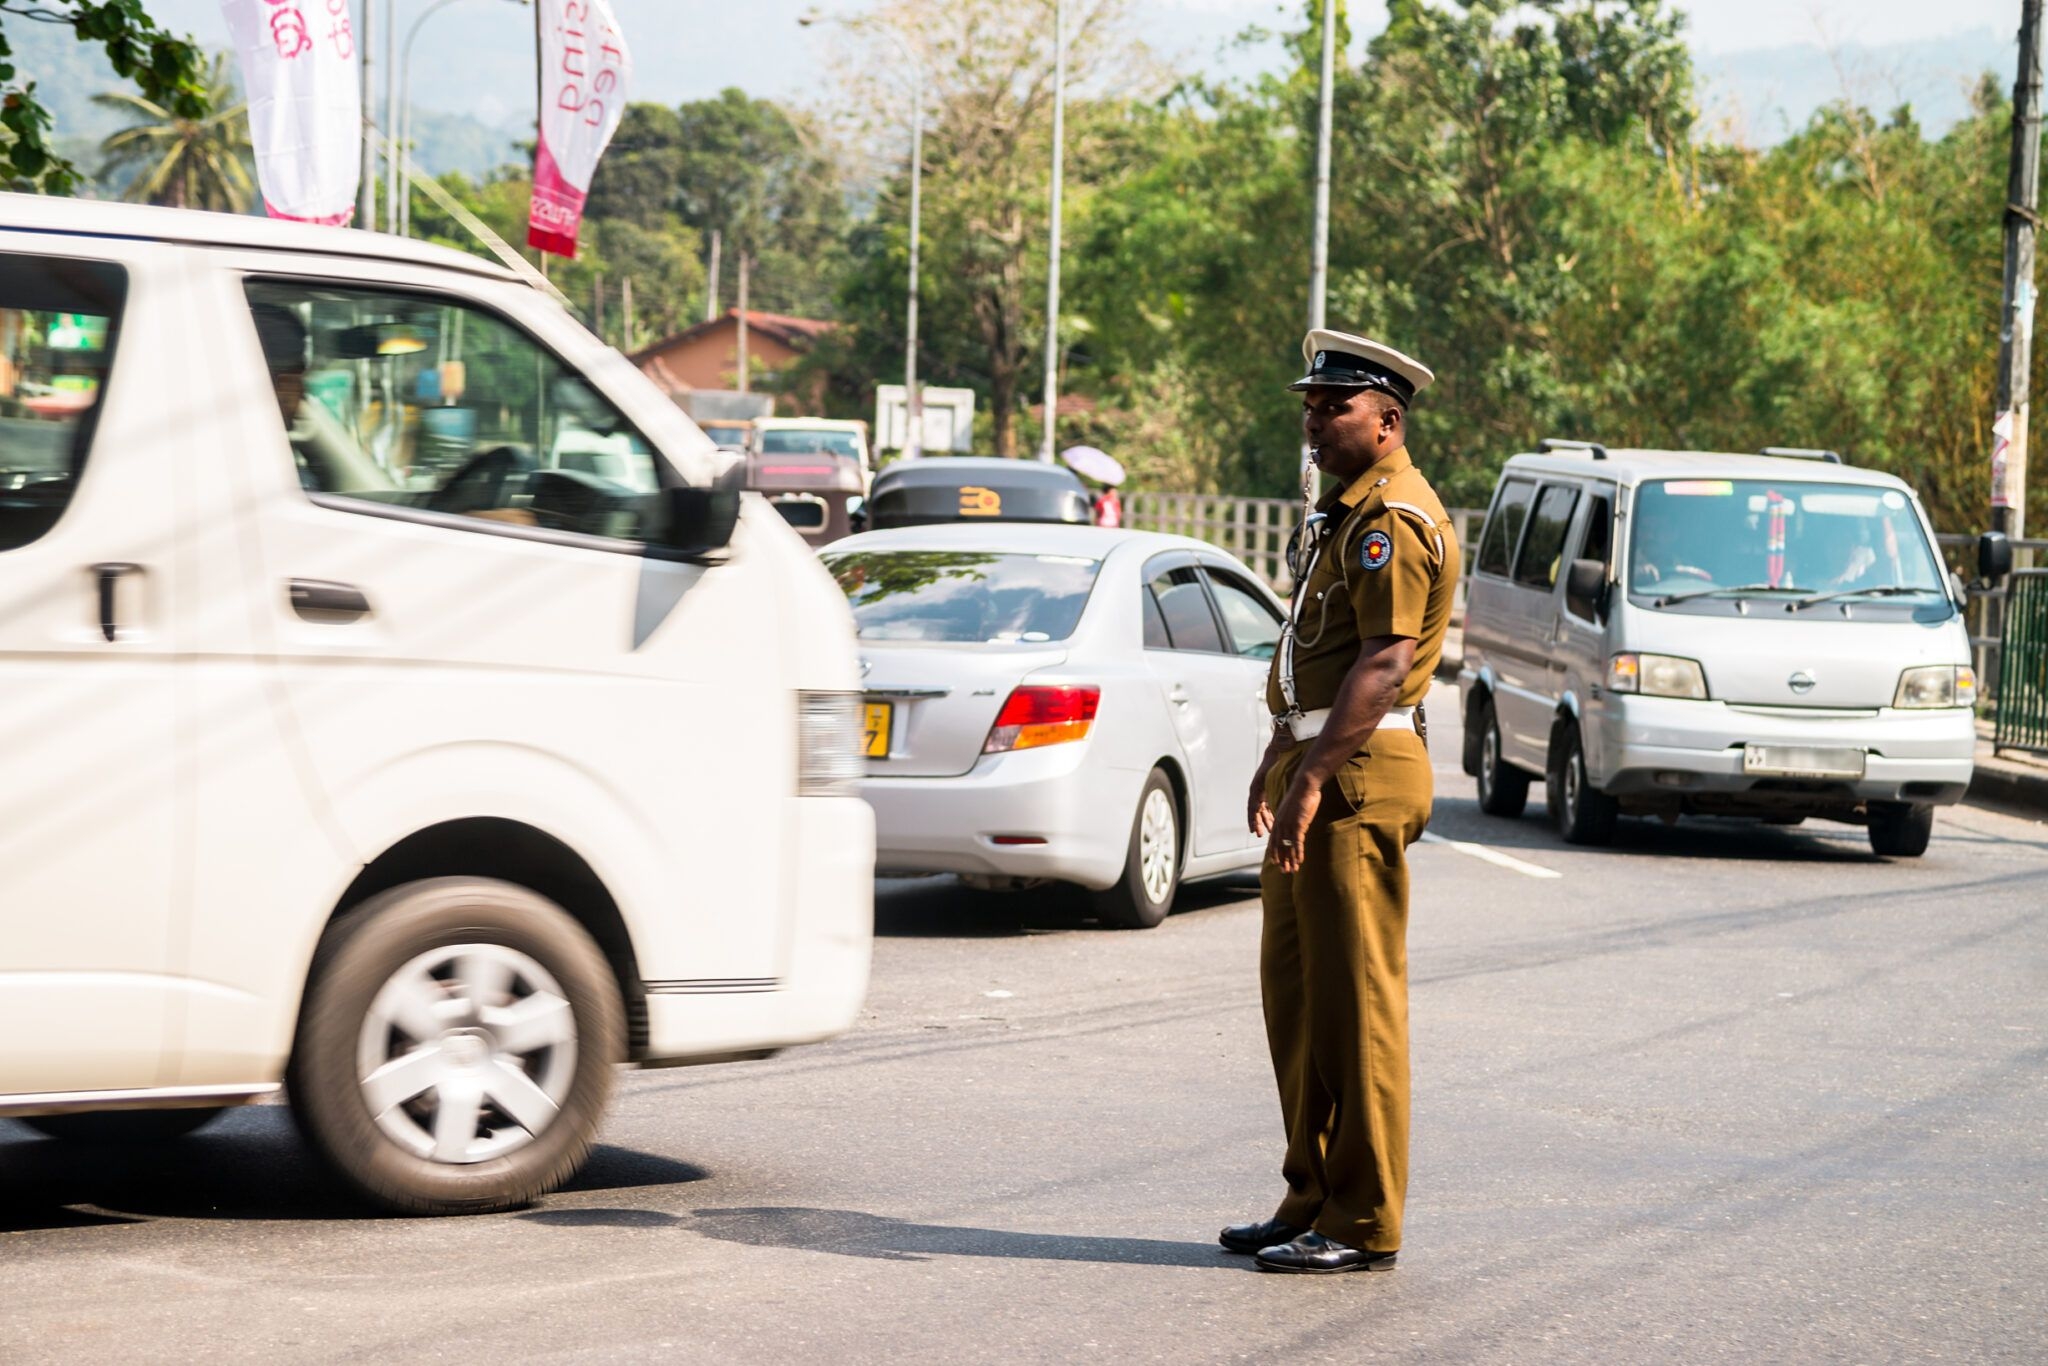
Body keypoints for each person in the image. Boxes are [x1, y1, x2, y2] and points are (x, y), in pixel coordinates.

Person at [1222, 329, 1460, 1275]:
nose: (1315, 422)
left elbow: (1386, 660)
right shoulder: (1345, 509)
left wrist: (1314, 776)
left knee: (1356, 1005)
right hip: (1319, 761)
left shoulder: (1391, 517)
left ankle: (1363, 1221)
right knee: (1299, 1000)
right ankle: (1310, 1194)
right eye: (1312, 406)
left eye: (1336, 408)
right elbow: (1318, 655)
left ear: (1387, 421)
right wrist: (1282, 753)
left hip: (1358, 779)